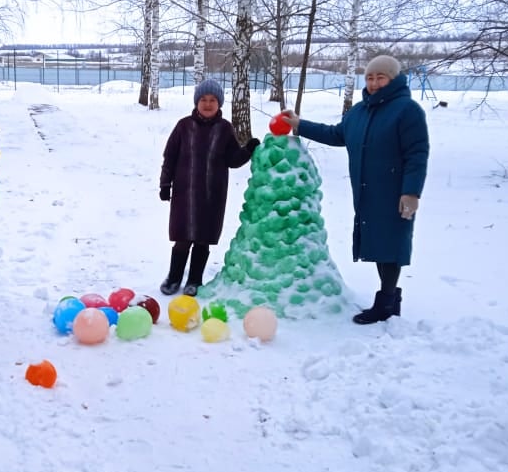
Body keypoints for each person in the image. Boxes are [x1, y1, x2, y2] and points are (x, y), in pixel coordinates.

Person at [279, 54, 429, 324]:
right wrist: (300, 125)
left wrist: (411, 192)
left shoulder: (407, 110)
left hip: (394, 191)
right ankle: (390, 300)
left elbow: (417, 153)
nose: (374, 83)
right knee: (379, 243)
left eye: (380, 77)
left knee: (392, 243)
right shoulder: (360, 111)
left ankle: (386, 302)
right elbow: (336, 134)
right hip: (367, 191)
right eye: (370, 77)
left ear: (393, 79)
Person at [159, 78, 259, 296]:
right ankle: (174, 278)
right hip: (185, 195)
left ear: (219, 103)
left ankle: (195, 280)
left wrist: (247, 150)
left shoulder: (225, 129)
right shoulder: (183, 126)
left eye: (212, 100)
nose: (207, 104)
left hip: (211, 196)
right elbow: (170, 157)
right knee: (182, 239)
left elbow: (232, 160)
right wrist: (165, 184)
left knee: (203, 240)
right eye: (203, 99)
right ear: (196, 102)